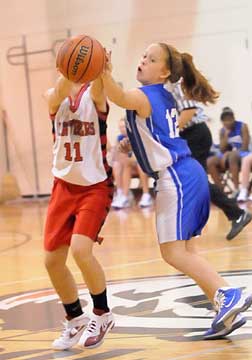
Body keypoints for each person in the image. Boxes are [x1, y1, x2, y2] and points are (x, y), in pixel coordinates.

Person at [101, 43, 252, 340]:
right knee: (187, 251)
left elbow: (117, 96)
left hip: (177, 177)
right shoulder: (163, 97)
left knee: (172, 252)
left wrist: (104, 72)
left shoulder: (146, 95)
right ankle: (223, 309)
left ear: (166, 72)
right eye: (143, 56)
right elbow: (156, 130)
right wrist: (131, 141)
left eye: (152, 59)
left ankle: (227, 293)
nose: (143, 60)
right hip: (188, 173)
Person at [44, 74, 115, 351]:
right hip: (63, 187)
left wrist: (101, 69)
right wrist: (67, 68)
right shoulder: (54, 95)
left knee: (81, 250)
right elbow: (57, 92)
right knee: (51, 261)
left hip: (94, 186)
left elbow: (99, 90)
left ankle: (103, 313)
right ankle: (75, 318)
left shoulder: (94, 96)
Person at [171, 83, 252, 241]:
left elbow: (189, 110)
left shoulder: (174, 84)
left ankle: (237, 213)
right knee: (193, 180)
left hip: (194, 134)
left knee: (197, 180)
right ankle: (235, 214)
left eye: (149, 58)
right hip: (189, 135)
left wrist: (170, 132)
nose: (144, 60)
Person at [207, 107, 250, 197]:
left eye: (229, 119)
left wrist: (228, 154)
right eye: (225, 120)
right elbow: (222, 150)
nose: (227, 122)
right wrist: (226, 136)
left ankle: (236, 189)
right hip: (227, 156)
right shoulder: (222, 131)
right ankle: (221, 191)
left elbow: (245, 147)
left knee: (232, 156)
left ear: (234, 118)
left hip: (243, 155)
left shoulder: (242, 126)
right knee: (210, 161)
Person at [110, 118, 153, 209]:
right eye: (120, 127)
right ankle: (122, 193)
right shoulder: (120, 138)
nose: (122, 129)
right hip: (128, 165)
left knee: (139, 165)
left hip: (142, 164)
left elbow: (143, 155)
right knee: (117, 164)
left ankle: (146, 195)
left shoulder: (137, 136)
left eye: (123, 127)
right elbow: (118, 156)